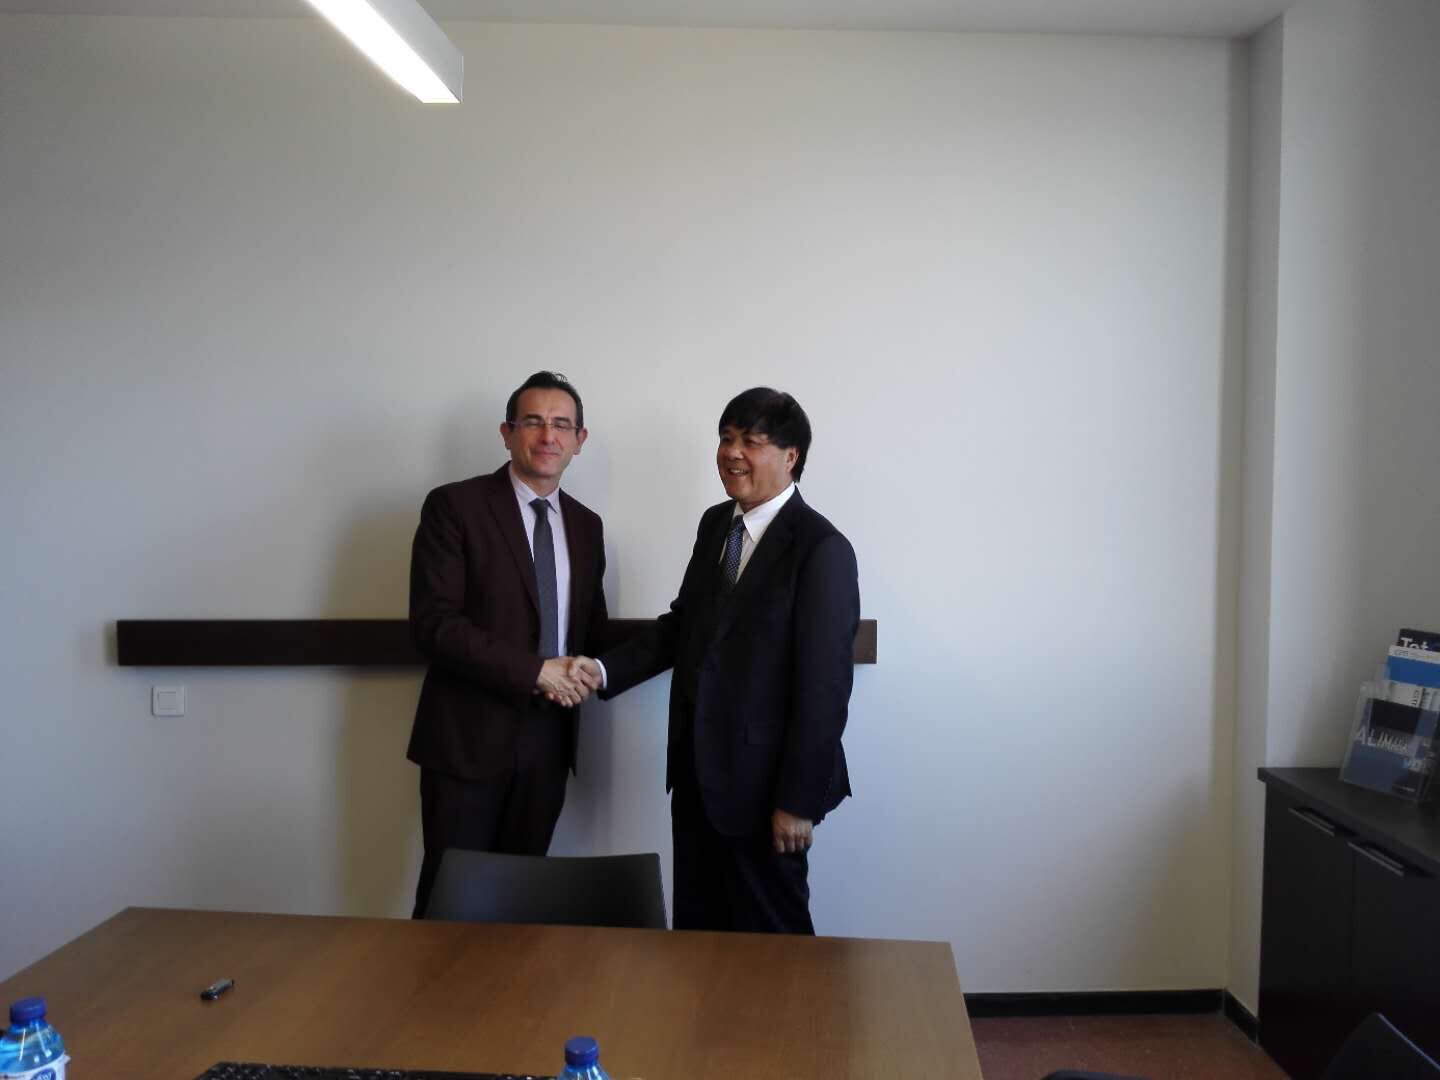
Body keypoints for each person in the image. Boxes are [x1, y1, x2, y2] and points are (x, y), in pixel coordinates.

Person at [576, 387, 859, 934]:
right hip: (697, 779)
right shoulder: (716, 526)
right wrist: (602, 670)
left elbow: (824, 689)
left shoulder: (821, 548)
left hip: (768, 793)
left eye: (751, 441)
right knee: (698, 938)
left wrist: (798, 801)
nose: (732, 453)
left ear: (791, 456)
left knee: (773, 943)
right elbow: (683, 626)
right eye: (726, 438)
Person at [405, 371, 609, 919]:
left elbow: (591, 630)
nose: (548, 436)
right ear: (507, 432)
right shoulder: (455, 506)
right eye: (533, 422)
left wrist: (673, 635)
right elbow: (434, 624)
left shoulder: (587, 526)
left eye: (562, 425)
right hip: (466, 740)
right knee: (451, 903)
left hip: (548, 743)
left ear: (580, 440)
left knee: (522, 905)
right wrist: (535, 671)